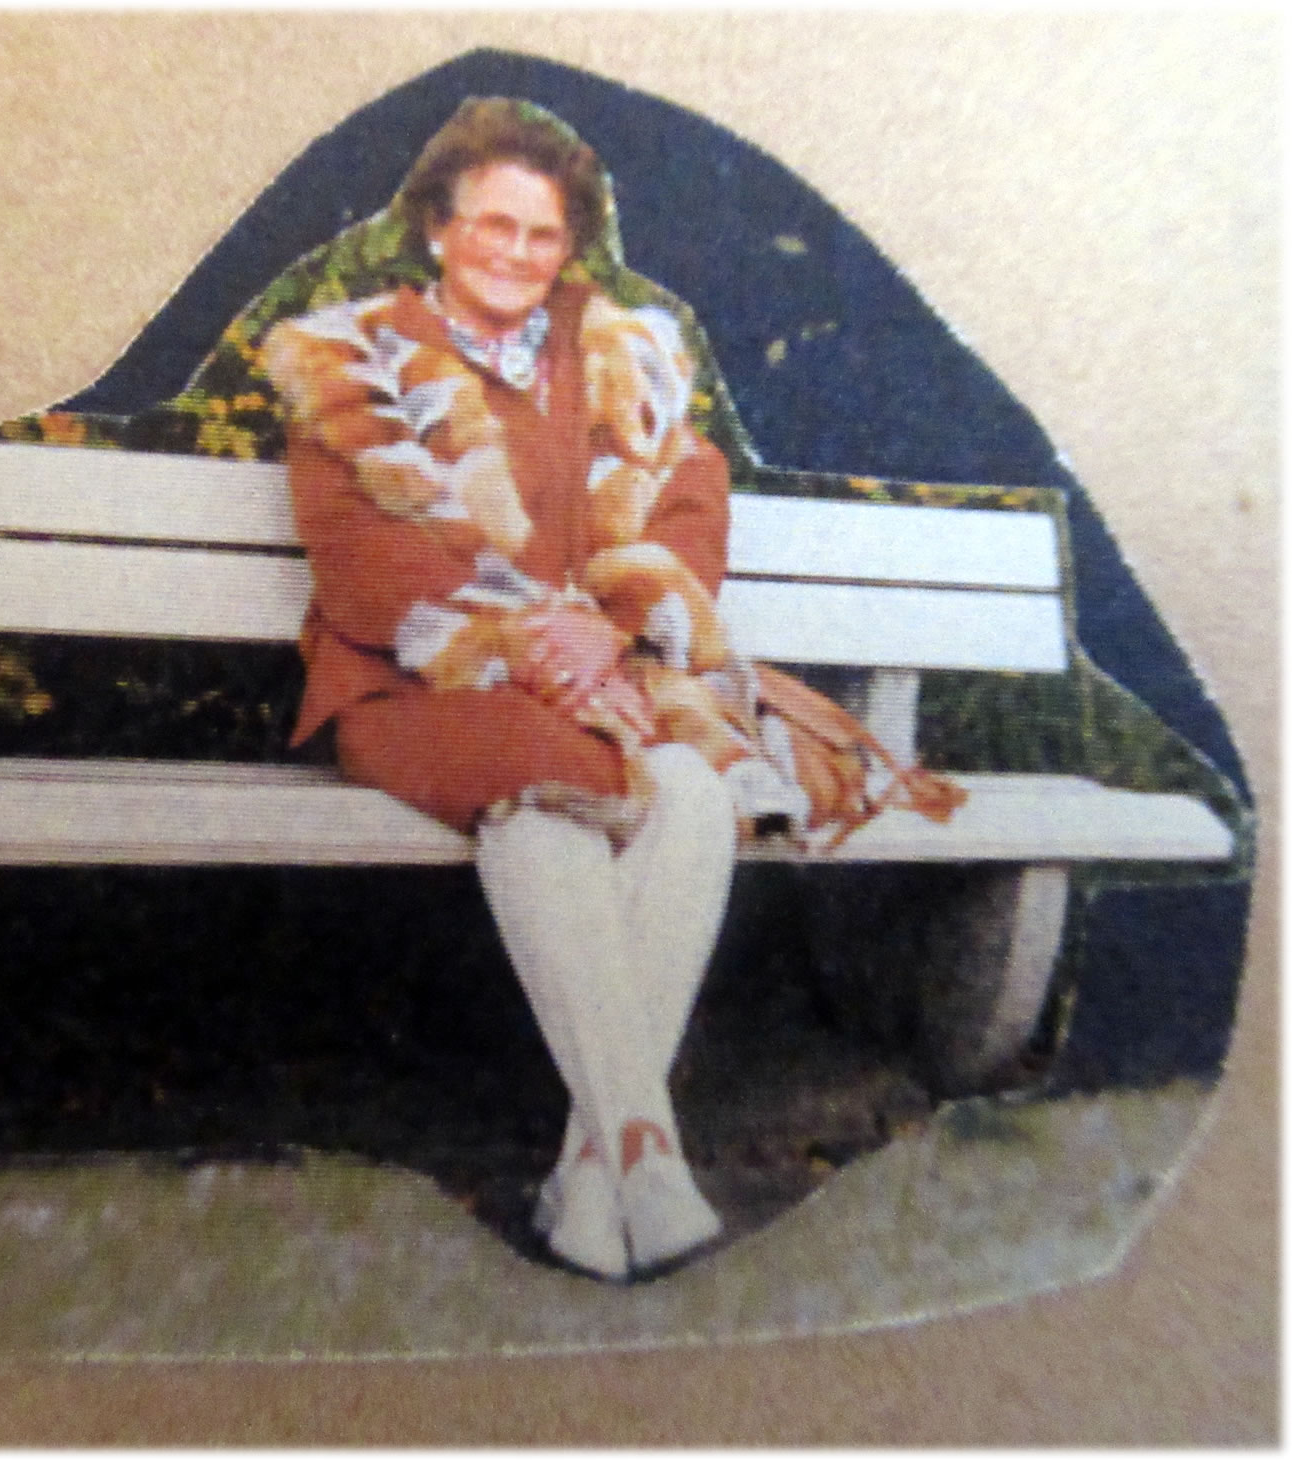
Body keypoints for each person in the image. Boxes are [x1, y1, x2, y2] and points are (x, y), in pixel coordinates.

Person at [259, 98, 812, 1280]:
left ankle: (589, 1178)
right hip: (418, 684)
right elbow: (361, 563)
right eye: (491, 225)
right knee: (553, 789)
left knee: (692, 793)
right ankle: (645, 1153)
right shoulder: (353, 364)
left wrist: (604, 631)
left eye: (541, 233)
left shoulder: (621, 359)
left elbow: (688, 503)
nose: (514, 253)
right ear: (436, 225)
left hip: (599, 677)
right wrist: (522, 644)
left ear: (567, 247)